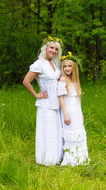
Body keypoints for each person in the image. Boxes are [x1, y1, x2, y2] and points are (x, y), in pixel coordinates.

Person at [23, 37, 63, 166]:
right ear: (45, 48)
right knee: (47, 130)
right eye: (51, 47)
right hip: (46, 103)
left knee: (56, 130)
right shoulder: (39, 63)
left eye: (56, 49)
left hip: (57, 103)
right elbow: (26, 81)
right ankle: (46, 159)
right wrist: (36, 94)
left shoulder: (55, 64)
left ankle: (56, 156)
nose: (53, 50)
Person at [58, 52, 90, 166]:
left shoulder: (75, 81)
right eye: (65, 66)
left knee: (78, 133)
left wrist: (80, 113)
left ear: (73, 67)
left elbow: (78, 100)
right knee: (70, 134)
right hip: (68, 111)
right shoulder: (62, 80)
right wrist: (65, 114)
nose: (67, 68)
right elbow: (61, 98)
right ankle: (70, 159)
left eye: (69, 66)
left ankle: (80, 158)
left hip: (76, 111)